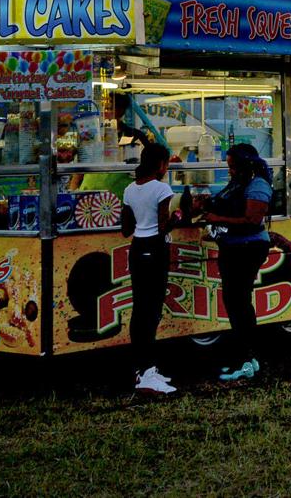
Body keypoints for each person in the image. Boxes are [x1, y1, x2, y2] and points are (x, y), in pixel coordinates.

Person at [202, 142, 274, 380]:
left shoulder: (258, 185)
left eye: (233, 166)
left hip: (248, 247)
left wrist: (216, 217)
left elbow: (252, 220)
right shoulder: (238, 184)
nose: (230, 171)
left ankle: (244, 358)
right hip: (233, 247)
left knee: (238, 302)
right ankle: (248, 357)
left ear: (244, 165)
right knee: (236, 303)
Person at [119, 142, 177, 395]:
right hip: (155, 249)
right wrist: (179, 216)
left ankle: (142, 369)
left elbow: (126, 229)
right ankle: (147, 371)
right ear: (161, 164)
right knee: (152, 312)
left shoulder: (130, 189)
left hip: (137, 248)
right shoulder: (162, 188)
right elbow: (164, 225)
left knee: (140, 309)